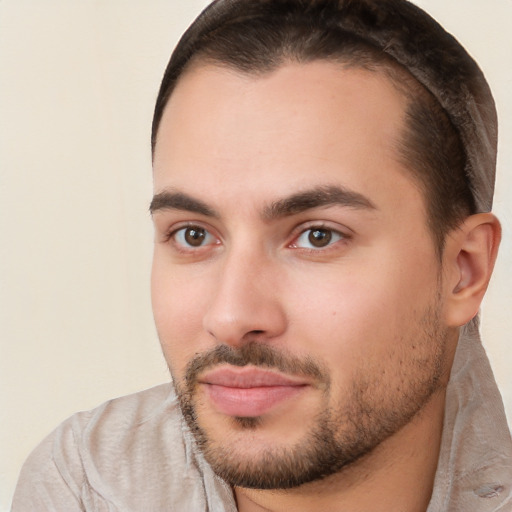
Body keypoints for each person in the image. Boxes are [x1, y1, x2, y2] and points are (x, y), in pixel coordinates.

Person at [11, 0, 512, 510]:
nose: (230, 318)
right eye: (193, 235)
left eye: (318, 236)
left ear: (463, 271)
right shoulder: (87, 488)